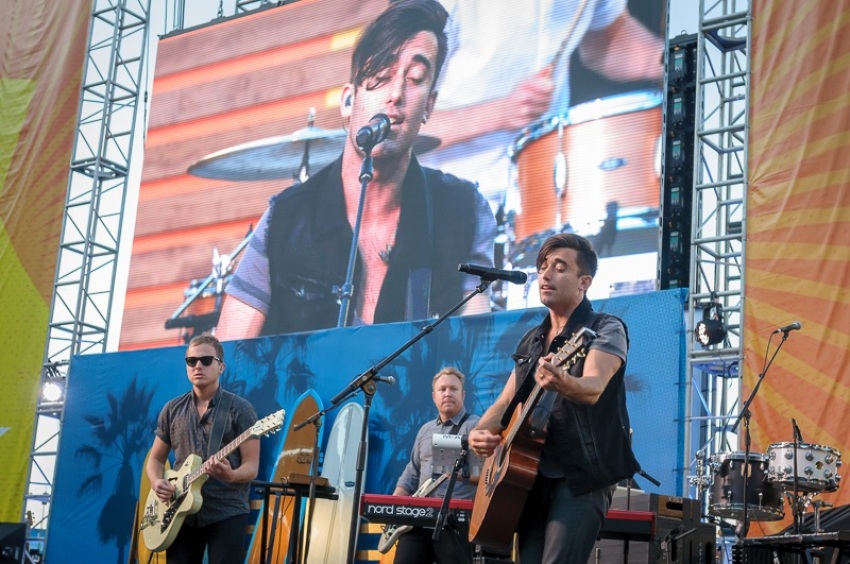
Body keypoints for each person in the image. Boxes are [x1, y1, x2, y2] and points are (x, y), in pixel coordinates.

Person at [215, 0, 496, 340]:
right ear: (348, 101)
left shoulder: (463, 210)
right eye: (381, 76)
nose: (395, 95)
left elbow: (478, 353)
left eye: (415, 78)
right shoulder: (285, 219)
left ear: (429, 107)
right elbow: (226, 364)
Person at [468, 233, 639, 563]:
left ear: (583, 282)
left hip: (580, 477)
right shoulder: (532, 340)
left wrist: (562, 381)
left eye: (559, 268)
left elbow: (593, 387)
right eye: (543, 266)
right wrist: (479, 432)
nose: (545, 275)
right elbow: (505, 403)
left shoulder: (604, 328)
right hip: (527, 479)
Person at [420, 0, 664, 221]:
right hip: (445, 205)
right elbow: (389, 121)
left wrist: (672, 59)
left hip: (544, 200)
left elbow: (608, 40)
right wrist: (498, 113)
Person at [146, 334, 259, 563]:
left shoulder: (240, 409)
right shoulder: (172, 410)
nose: (198, 366)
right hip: (179, 513)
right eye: (191, 361)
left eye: (206, 360)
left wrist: (232, 474)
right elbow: (155, 460)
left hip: (227, 510)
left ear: (221, 367)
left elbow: (252, 466)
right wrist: (157, 482)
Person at [392, 367, 483, 563]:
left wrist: (454, 469)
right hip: (418, 520)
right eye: (442, 389)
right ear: (434, 396)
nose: (447, 393)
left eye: (453, 389)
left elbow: (487, 474)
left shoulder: (476, 426)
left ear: (463, 394)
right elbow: (412, 473)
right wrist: (392, 508)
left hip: (454, 522)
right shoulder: (426, 429)